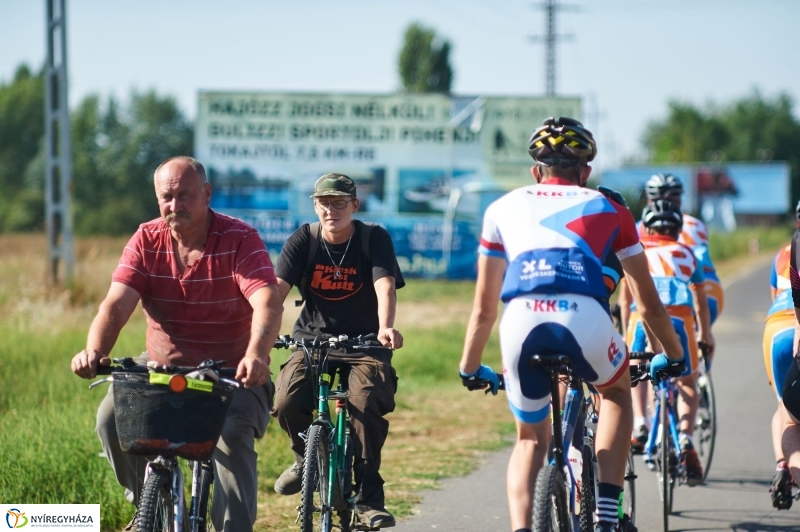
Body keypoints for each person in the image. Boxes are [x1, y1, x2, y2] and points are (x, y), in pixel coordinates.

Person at [459, 117, 685, 532]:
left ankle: (522, 527)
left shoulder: (501, 207)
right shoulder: (610, 208)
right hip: (583, 316)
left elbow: (483, 310)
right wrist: (674, 354)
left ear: (535, 172)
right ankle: (605, 515)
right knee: (616, 392)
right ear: (585, 173)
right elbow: (649, 304)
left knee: (529, 440)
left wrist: (469, 368)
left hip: (520, 321)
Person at [70, 156, 283, 532]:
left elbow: (266, 301)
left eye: (185, 195)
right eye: (166, 197)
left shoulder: (239, 239)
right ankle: (147, 505)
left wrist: (256, 355)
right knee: (109, 418)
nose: (175, 205)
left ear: (206, 194)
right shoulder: (146, 238)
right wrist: (94, 350)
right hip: (162, 370)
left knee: (231, 437)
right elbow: (115, 305)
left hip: (231, 373)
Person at [271, 172, 404, 529]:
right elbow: (275, 293)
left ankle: (368, 498)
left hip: (364, 343)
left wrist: (385, 327)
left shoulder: (373, 238)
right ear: (315, 205)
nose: (332, 210)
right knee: (285, 399)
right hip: (312, 341)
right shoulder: (304, 239)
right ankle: (305, 459)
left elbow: (385, 285)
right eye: (324, 203)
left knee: (365, 406)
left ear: (354, 205)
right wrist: (260, 333)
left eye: (339, 203)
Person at [620, 199, 714, 486]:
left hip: (641, 320)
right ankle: (685, 438)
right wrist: (704, 336)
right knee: (687, 382)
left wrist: (627, 334)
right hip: (680, 321)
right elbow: (701, 304)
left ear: (646, 228)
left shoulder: (638, 252)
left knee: (639, 373)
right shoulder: (688, 253)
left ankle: (640, 424)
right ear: (677, 230)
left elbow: (626, 301)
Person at [765, 201, 800, 509]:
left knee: (784, 406)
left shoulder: (783, 252)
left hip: (777, 327)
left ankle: (782, 466)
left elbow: (775, 296)